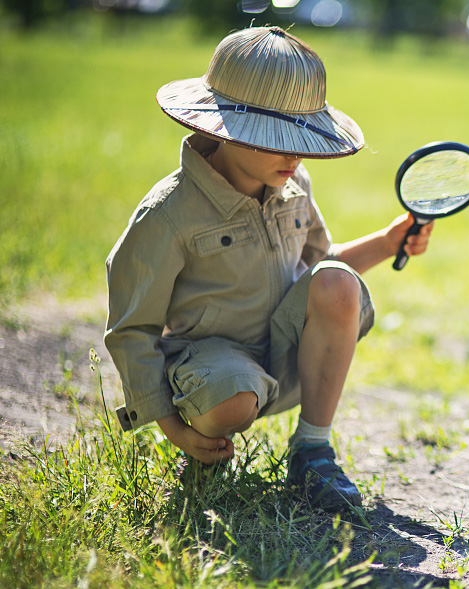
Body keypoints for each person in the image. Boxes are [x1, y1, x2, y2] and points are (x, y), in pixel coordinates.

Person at [104, 26, 433, 511]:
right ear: (225, 128)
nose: (294, 152)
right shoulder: (169, 213)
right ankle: (206, 453)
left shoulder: (294, 183)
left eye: (301, 135)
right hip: (211, 368)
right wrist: (172, 428)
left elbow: (322, 268)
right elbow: (133, 327)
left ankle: (312, 450)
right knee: (231, 399)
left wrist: (387, 242)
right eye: (276, 138)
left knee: (338, 284)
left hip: (285, 353)